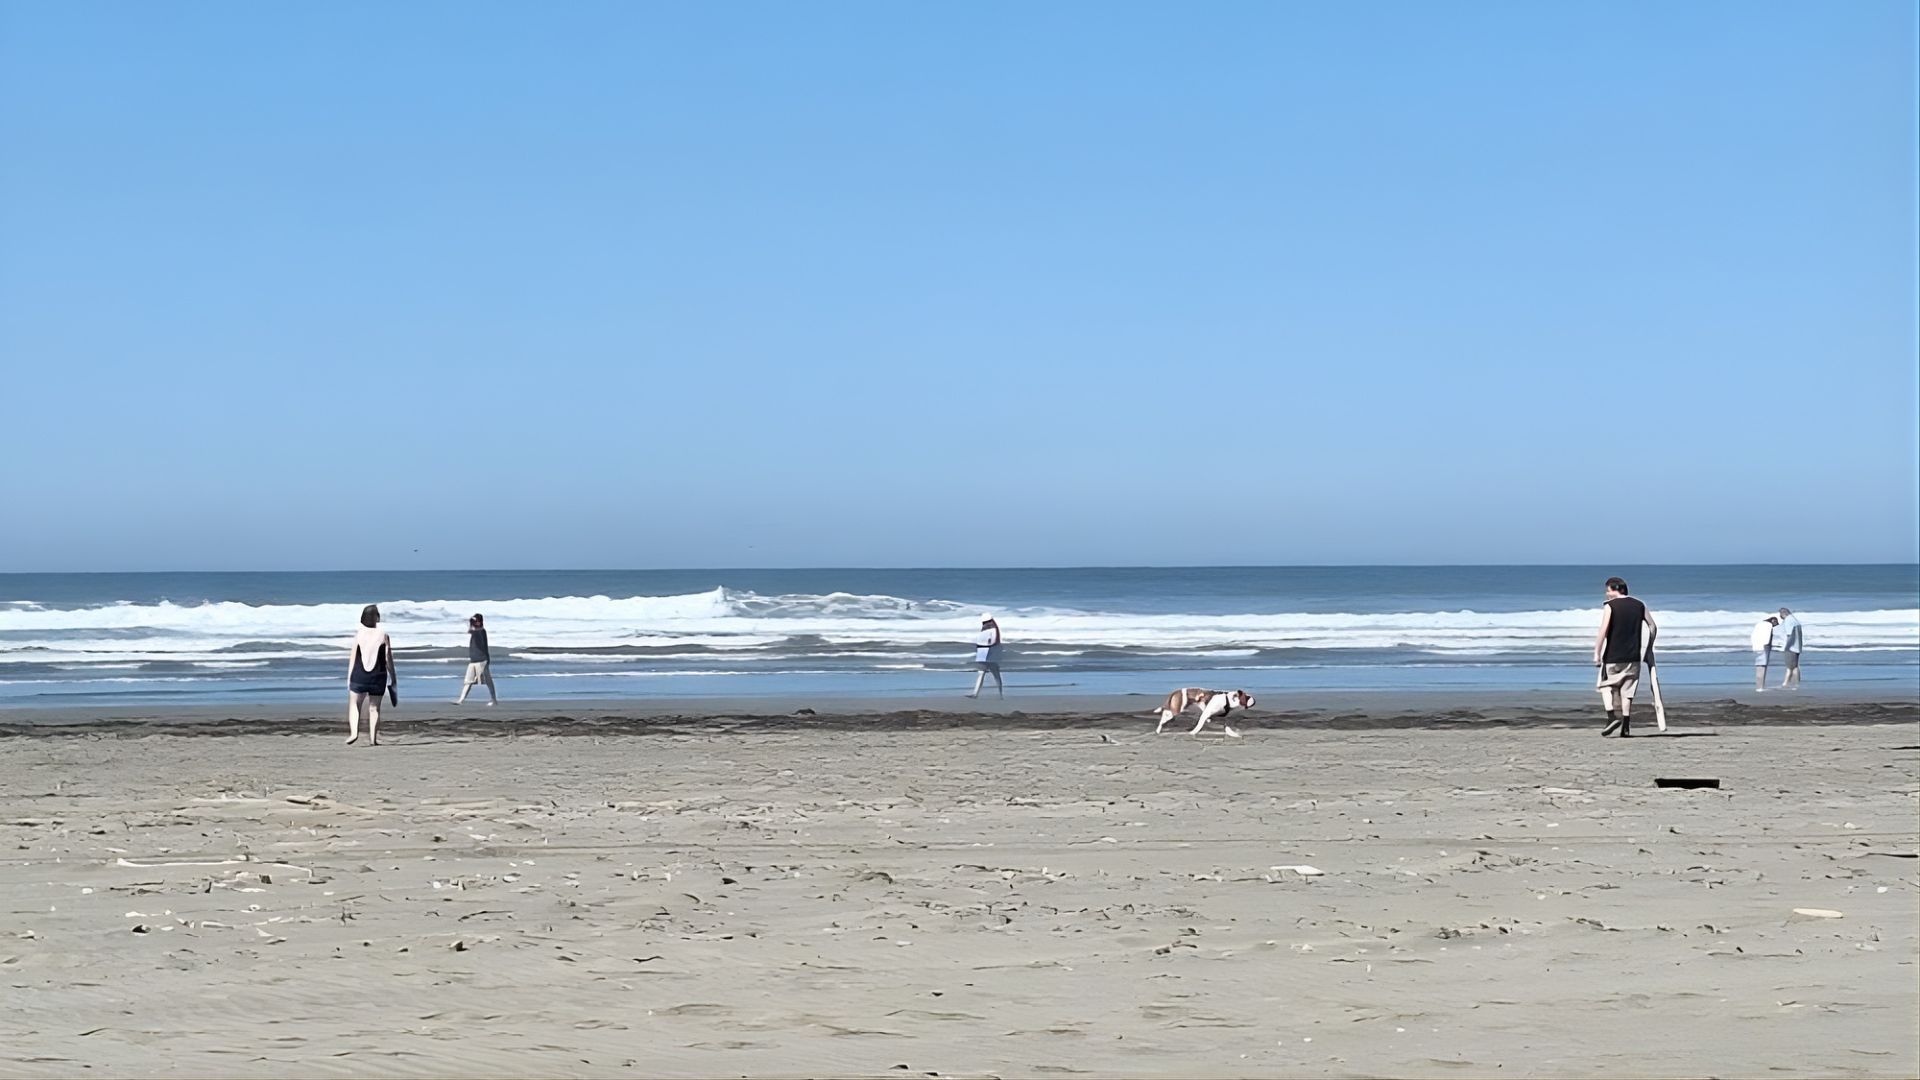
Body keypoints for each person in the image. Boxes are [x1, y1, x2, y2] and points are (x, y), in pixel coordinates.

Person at [1593, 577, 1655, 737]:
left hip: (1613, 656)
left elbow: (1603, 631)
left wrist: (1597, 653)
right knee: (1628, 691)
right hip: (1633, 656)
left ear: (1615, 589)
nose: (1606, 595)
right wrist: (1649, 647)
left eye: (1607, 591)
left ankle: (1612, 717)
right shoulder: (1640, 605)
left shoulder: (1610, 606)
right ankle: (1626, 726)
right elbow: (1652, 626)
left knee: (1606, 686)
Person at [347, 604, 395, 745]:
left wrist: (349, 678)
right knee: (374, 708)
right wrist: (393, 678)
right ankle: (373, 739)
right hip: (378, 676)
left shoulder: (358, 635)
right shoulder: (384, 635)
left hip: (359, 675)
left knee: (355, 704)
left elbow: (353, 658)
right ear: (376, 617)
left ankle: (354, 733)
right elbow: (387, 659)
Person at [456, 613, 498, 705]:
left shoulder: (481, 631)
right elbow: (469, 629)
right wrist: (471, 621)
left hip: (482, 660)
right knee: (468, 681)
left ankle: (493, 699)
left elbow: (474, 631)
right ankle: (461, 700)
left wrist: (472, 623)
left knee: (487, 680)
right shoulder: (474, 629)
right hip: (473, 660)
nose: (475, 623)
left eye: (477, 621)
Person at [966, 614, 1004, 699]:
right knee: (994, 675)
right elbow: (994, 642)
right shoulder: (992, 630)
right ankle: (1000, 694)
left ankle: (976, 693)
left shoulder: (985, 631)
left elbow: (984, 643)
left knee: (984, 674)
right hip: (989, 655)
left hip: (985, 655)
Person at [1776, 607, 1803, 689]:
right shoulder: (1795, 620)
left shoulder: (1788, 620)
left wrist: (1786, 647)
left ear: (1783, 614)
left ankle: (1786, 683)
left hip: (1791, 647)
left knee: (1790, 667)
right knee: (1795, 666)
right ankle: (1796, 684)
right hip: (1797, 646)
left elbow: (1789, 635)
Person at [1751, 614, 1779, 692]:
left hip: (1756, 647)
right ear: (1773, 621)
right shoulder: (1768, 625)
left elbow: (1753, 636)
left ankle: (1759, 686)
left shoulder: (1758, 624)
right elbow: (1767, 637)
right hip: (1764, 647)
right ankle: (1760, 687)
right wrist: (1767, 644)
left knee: (1758, 667)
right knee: (1762, 667)